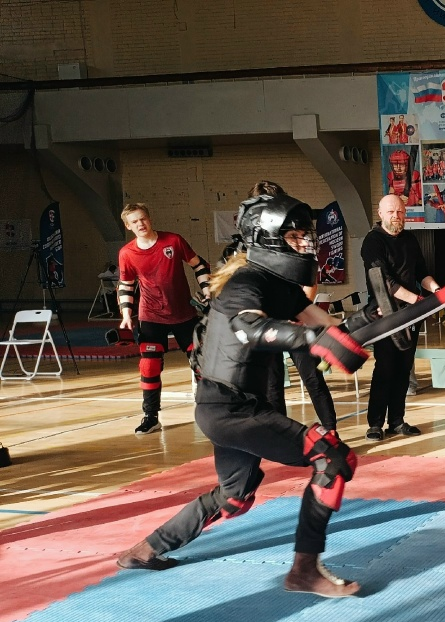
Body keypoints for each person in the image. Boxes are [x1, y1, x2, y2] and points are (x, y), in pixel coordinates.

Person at [115, 193, 370, 598]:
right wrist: (314, 340)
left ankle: (144, 550)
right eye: (295, 235)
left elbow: (326, 325)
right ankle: (304, 572)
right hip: (230, 409)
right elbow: (249, 328)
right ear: (268, 238)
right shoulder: (245, 282)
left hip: (231, 408)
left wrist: (369, 323)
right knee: (333, 457)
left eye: (305, 235)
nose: (305, 243)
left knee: (235, 497)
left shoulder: (281, 287)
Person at [238, 181, 341, 435]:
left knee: (313, 378)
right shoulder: (248, 250)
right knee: (272, 384)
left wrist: (299, 314)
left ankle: (331, 431)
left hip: (296, 319)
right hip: (267, 324)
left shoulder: (295, 240)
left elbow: (309, 283)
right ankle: (280, 436)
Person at [117, 203, 212, 435]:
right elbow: (126, 284)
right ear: (128, 226)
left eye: (143, 219)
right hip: (151, 315)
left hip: (184, 313)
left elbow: (199, 264)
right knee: (149, 365)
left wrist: (208, 291)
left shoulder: (173, 241)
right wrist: (126, 314)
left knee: (202, 362)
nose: (140, 224)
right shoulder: (127, 253)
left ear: (149, 219)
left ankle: (210, 410)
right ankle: (151, 416)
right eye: (134, 221)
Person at [360, 194, 442, 441]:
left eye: (400, 212)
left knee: (404, 368)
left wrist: (438, 290)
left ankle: (396, 421)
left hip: (409, 315)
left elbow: (422, 273)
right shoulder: (372, 241)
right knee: (385, 368)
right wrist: (417, 301)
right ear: (380, 213)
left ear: (405, 214)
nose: (396, 216)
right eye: (391, 212)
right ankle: (375, 424)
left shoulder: (410, 239)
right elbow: (385, 282)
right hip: (384, 314)